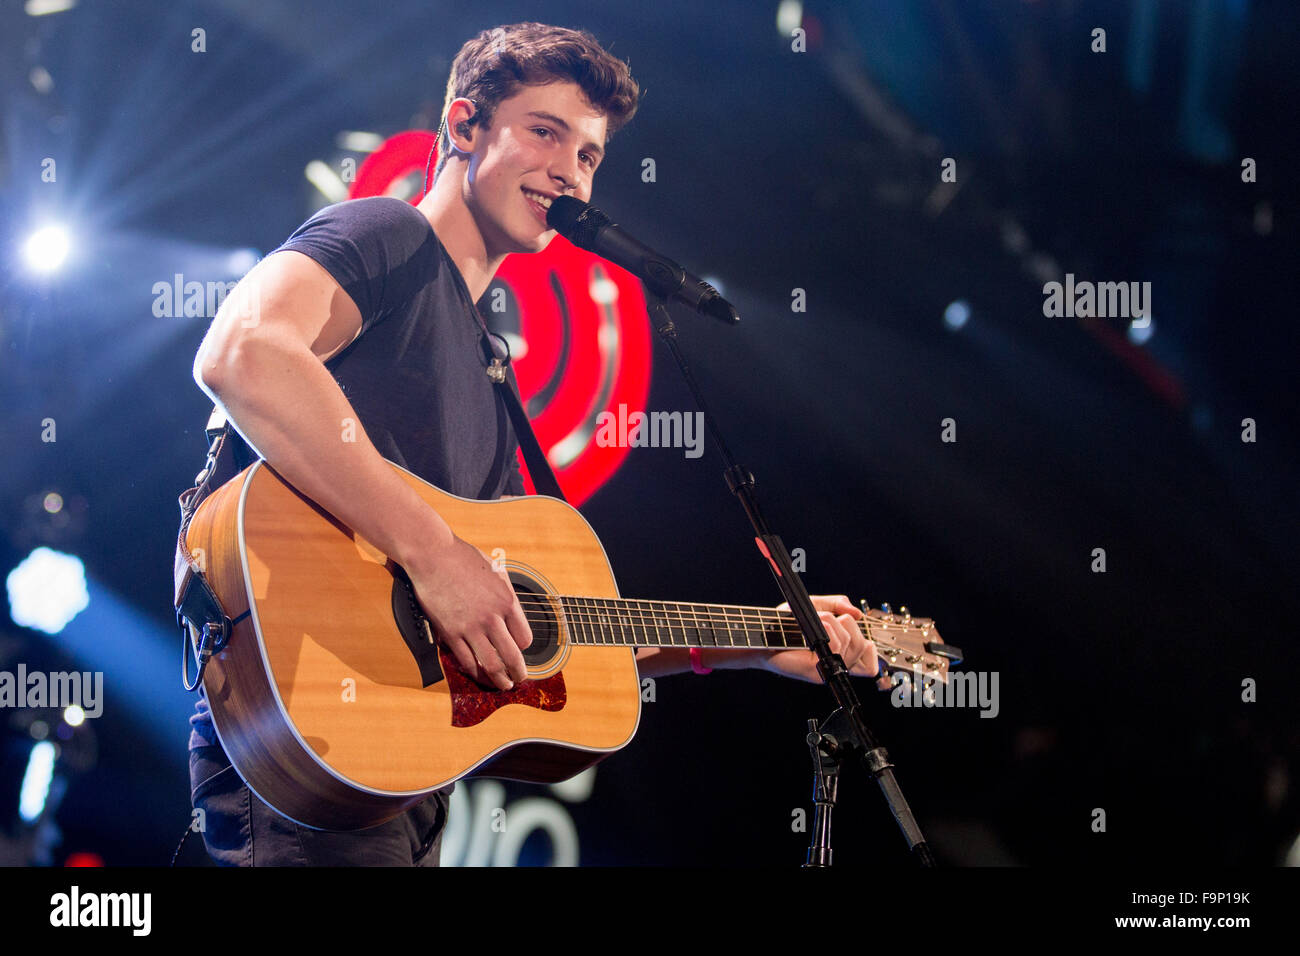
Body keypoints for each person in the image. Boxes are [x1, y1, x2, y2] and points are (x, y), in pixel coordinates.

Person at [186, 21, 883, 866]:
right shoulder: (387, 237)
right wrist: (436, 553)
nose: (569, 170)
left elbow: (533, 627)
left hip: (395, 775)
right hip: (301, 735)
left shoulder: (487, 363)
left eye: (588, 155)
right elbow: (242, 354)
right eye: (545, 132)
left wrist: (758, 640)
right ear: (464, 125)